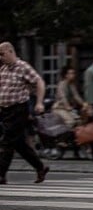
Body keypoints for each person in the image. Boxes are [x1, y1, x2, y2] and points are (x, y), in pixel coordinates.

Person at [0, 42, 50, 184]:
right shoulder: (3, 69)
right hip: (5, 110)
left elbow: (39, 81)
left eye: (2, 54)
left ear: (10, 51)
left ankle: (1, 174)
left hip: (18, 109)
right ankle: (40, 167)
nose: (1, 57)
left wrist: (39, 102)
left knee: (7, 141)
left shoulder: (23, 67)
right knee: (18, 143)